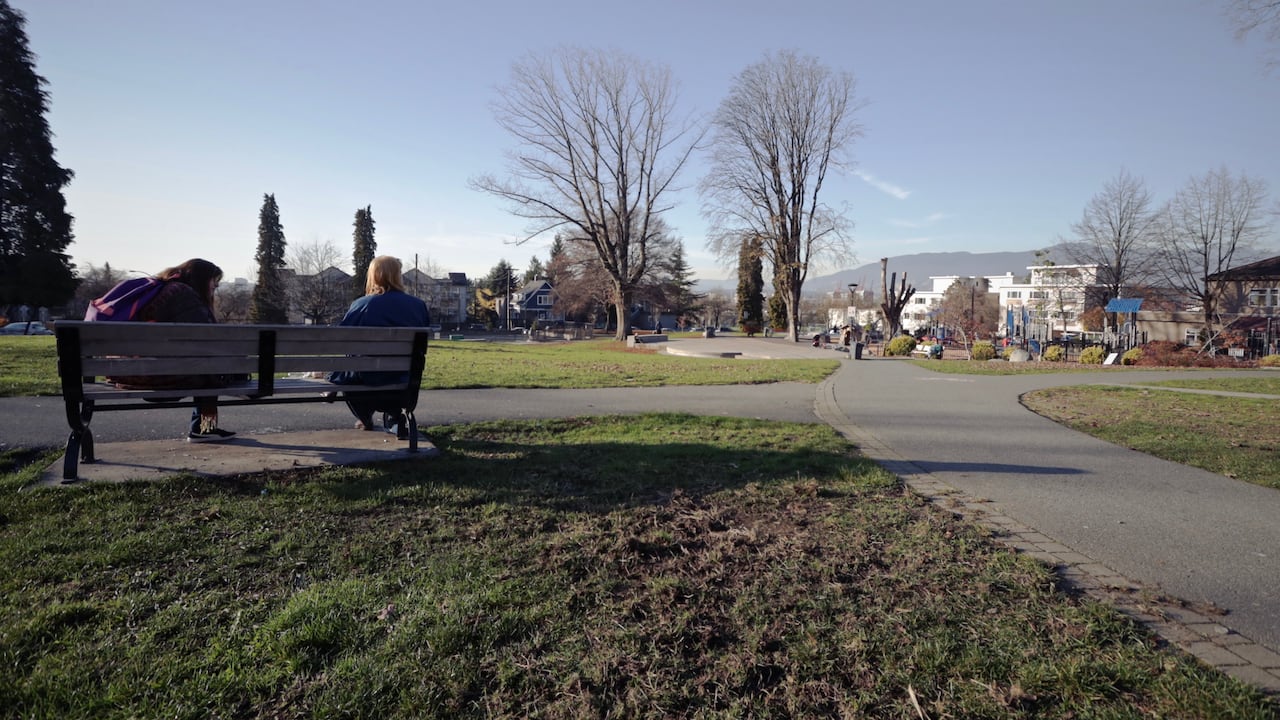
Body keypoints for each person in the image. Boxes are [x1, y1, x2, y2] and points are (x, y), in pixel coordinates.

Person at [99, 258, 237, 442]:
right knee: (209, 371)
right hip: (156, 375)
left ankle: (204, 428)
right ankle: (204, 429)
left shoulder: (157, 290)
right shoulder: (184, 295)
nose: (215, 286)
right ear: (202, 279)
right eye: (214, 281)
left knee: (207, 367)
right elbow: (208, 336)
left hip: (126, 371)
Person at [332, 255, 431, 438]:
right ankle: (394, 415)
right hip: (404, 376)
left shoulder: (361, 305)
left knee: (343, 372)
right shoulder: (418, 306)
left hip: (366, 376)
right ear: (398, 276)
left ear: (373, 276)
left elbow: (341, 340)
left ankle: (364, 417)